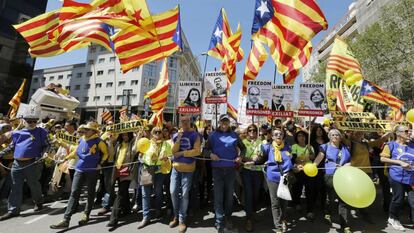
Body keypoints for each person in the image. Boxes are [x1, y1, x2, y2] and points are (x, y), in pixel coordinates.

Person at [50, 122, 108, 229]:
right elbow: (76, 152)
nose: (85, 131)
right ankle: (66, 219)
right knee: (74, 192)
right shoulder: (81, 139)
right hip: (79, 169)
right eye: (84, 129)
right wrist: (66, 158)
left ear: (94, 131)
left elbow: (106, 153)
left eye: (87, 129)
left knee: (90, 193)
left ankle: (86, 214)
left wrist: (101, 163)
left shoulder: (99, 142)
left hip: (92, 171)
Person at [0, 115, 54, 221]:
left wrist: (45, 153)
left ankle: (38, 202)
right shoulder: (17, 133)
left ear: (37, 122)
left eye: (34, 121)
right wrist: (1, 153)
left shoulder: (42, 132)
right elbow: (12, 146)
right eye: (29, 121)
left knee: (33, 184)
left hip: (33, 162)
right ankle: (13, 210)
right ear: (24, 121)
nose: (32, 123)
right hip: (17, 163)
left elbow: (49, 145)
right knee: (15, 186)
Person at [206, 114, 246, 233]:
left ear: (229, 123)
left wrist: (240, 157)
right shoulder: (212, 135)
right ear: (219, 123)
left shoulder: (234, 135)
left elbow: (243, 149)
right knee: (218, 196)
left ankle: (228, 218)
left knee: (229, 196)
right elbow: (205, 150)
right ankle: (219, 221)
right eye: (222, 122)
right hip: (217, 170)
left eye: (226, 122)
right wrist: (210, 155)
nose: (224, 124)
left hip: (230, 170)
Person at [314, 129, 352, 233]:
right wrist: (313, 166)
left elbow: (350, 162)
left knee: (343, 200)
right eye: (332, 135)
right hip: (330, 176)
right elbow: (319, 157)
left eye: (337, 135)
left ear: (340, 137)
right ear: (329, 137)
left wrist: (344, 166)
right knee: (331, 198)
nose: (334, 136)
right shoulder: (325, 147)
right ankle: (328, 213)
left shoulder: (346, 148)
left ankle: (345, 225)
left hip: (343, 176)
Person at [169, 116, 201, 233]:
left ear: (190, 122)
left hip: (188, 169)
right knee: (173, 191)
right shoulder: (175, 135)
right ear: (179, 122)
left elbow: (197, 151)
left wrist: (182, 152)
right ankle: (176, 215)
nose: (184, 123)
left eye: (186, 121)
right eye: (182, 121)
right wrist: (178, 139)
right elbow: (173, 152)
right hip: (176, 168)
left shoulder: (195, 135)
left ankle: (182, 219)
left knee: (184, 194)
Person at [380, 125, 414, 231]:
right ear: (398, 133)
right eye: (407, 131)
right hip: (396, 176)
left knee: (413, 201)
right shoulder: (390, 145)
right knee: (398, 199)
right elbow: (382, 158)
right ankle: (393, 217)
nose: (409, 133)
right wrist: (400, 162)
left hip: (411, 177)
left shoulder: (412, 145)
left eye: (410, 131)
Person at [137, 127, 172, 229]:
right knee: (145, 194)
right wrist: (141, 158)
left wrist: (166, 158)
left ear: (162, 134)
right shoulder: (146, 142)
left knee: (158, 193)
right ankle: (146, 217)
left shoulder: (166, 144)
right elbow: (139, 155)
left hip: (160, 172)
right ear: (152, 134)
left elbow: (171, 156)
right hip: (147, 171)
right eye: (155, 132)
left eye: (159, 132)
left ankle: (158, 211)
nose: (157, 133)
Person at [260, 128, 293, 233]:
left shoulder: (288, 147)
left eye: (280, 134)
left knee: (284, 201)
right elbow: (260, 154)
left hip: (285, 177)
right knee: (275, 202)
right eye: (276, 134)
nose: (278, 135)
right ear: (272, 136)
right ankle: (278, 226)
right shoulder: (268, 147)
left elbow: (290, 160)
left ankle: (283, 219)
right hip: (273, 177)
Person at [107, 132, 136, 227]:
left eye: (126, 135)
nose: (125, 137)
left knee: (120, 193)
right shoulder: (119, 144)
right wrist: (111, 143)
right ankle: (127, 209)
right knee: (124, 192)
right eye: (123, 135)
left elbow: (134, 151)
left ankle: (113, 218)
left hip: (128, 172)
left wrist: (138, 135)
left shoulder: (133, 143)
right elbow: (112, 155)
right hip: (118, 171)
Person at [241, 124, 263, 232]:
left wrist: (257, 159)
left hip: (257, 170)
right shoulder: (243, 142)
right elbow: (240, 155)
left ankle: (253, 212)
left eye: (254, 130)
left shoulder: (260, 142)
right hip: (247, 170)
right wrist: (249, 159)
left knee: (255, 193)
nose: (252, 132)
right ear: (247, 131)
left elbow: (262, 155)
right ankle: (248, 218)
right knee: (249, 193)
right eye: (250, 130)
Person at [291, 130, 316, 220]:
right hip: (299, 171)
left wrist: (309, 152)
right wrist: (305, 158)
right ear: (297, 138)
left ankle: (310, 210)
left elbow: (313, 158)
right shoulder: (294, 146)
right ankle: (297, 203)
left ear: (306, 137)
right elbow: (295, 159)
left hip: (309, 171)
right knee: (297, 188)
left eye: (303, 136)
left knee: (310, 191)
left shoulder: (310, 146)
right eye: (299, 136)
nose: (301, 137)